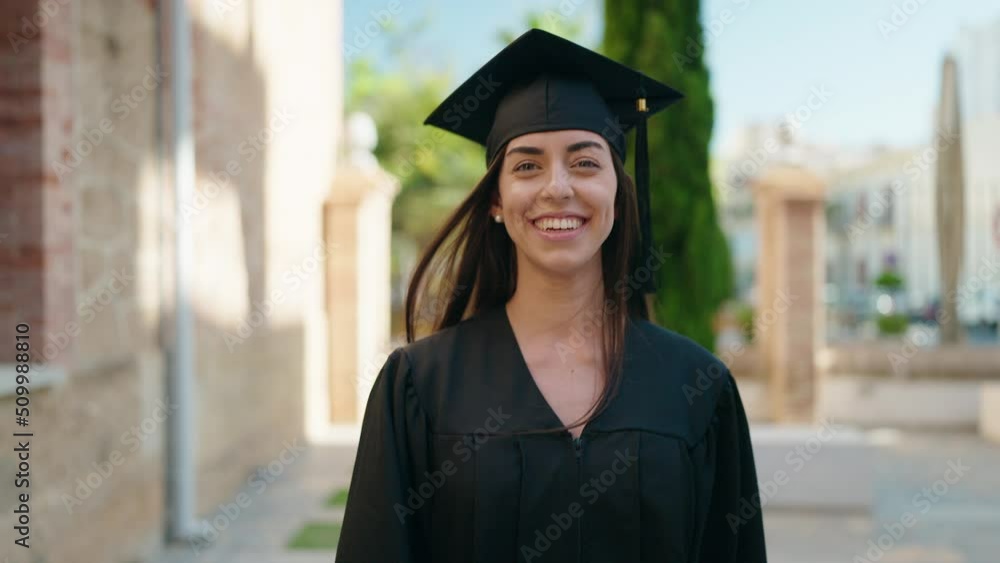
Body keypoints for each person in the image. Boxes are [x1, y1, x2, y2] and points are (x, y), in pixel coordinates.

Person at [337, 28, 767, 563]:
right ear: (496, 199)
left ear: (617, 188)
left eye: (585, 162)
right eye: (527, 165)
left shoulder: (696, 389)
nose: (557, 187)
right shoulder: (421, 388)